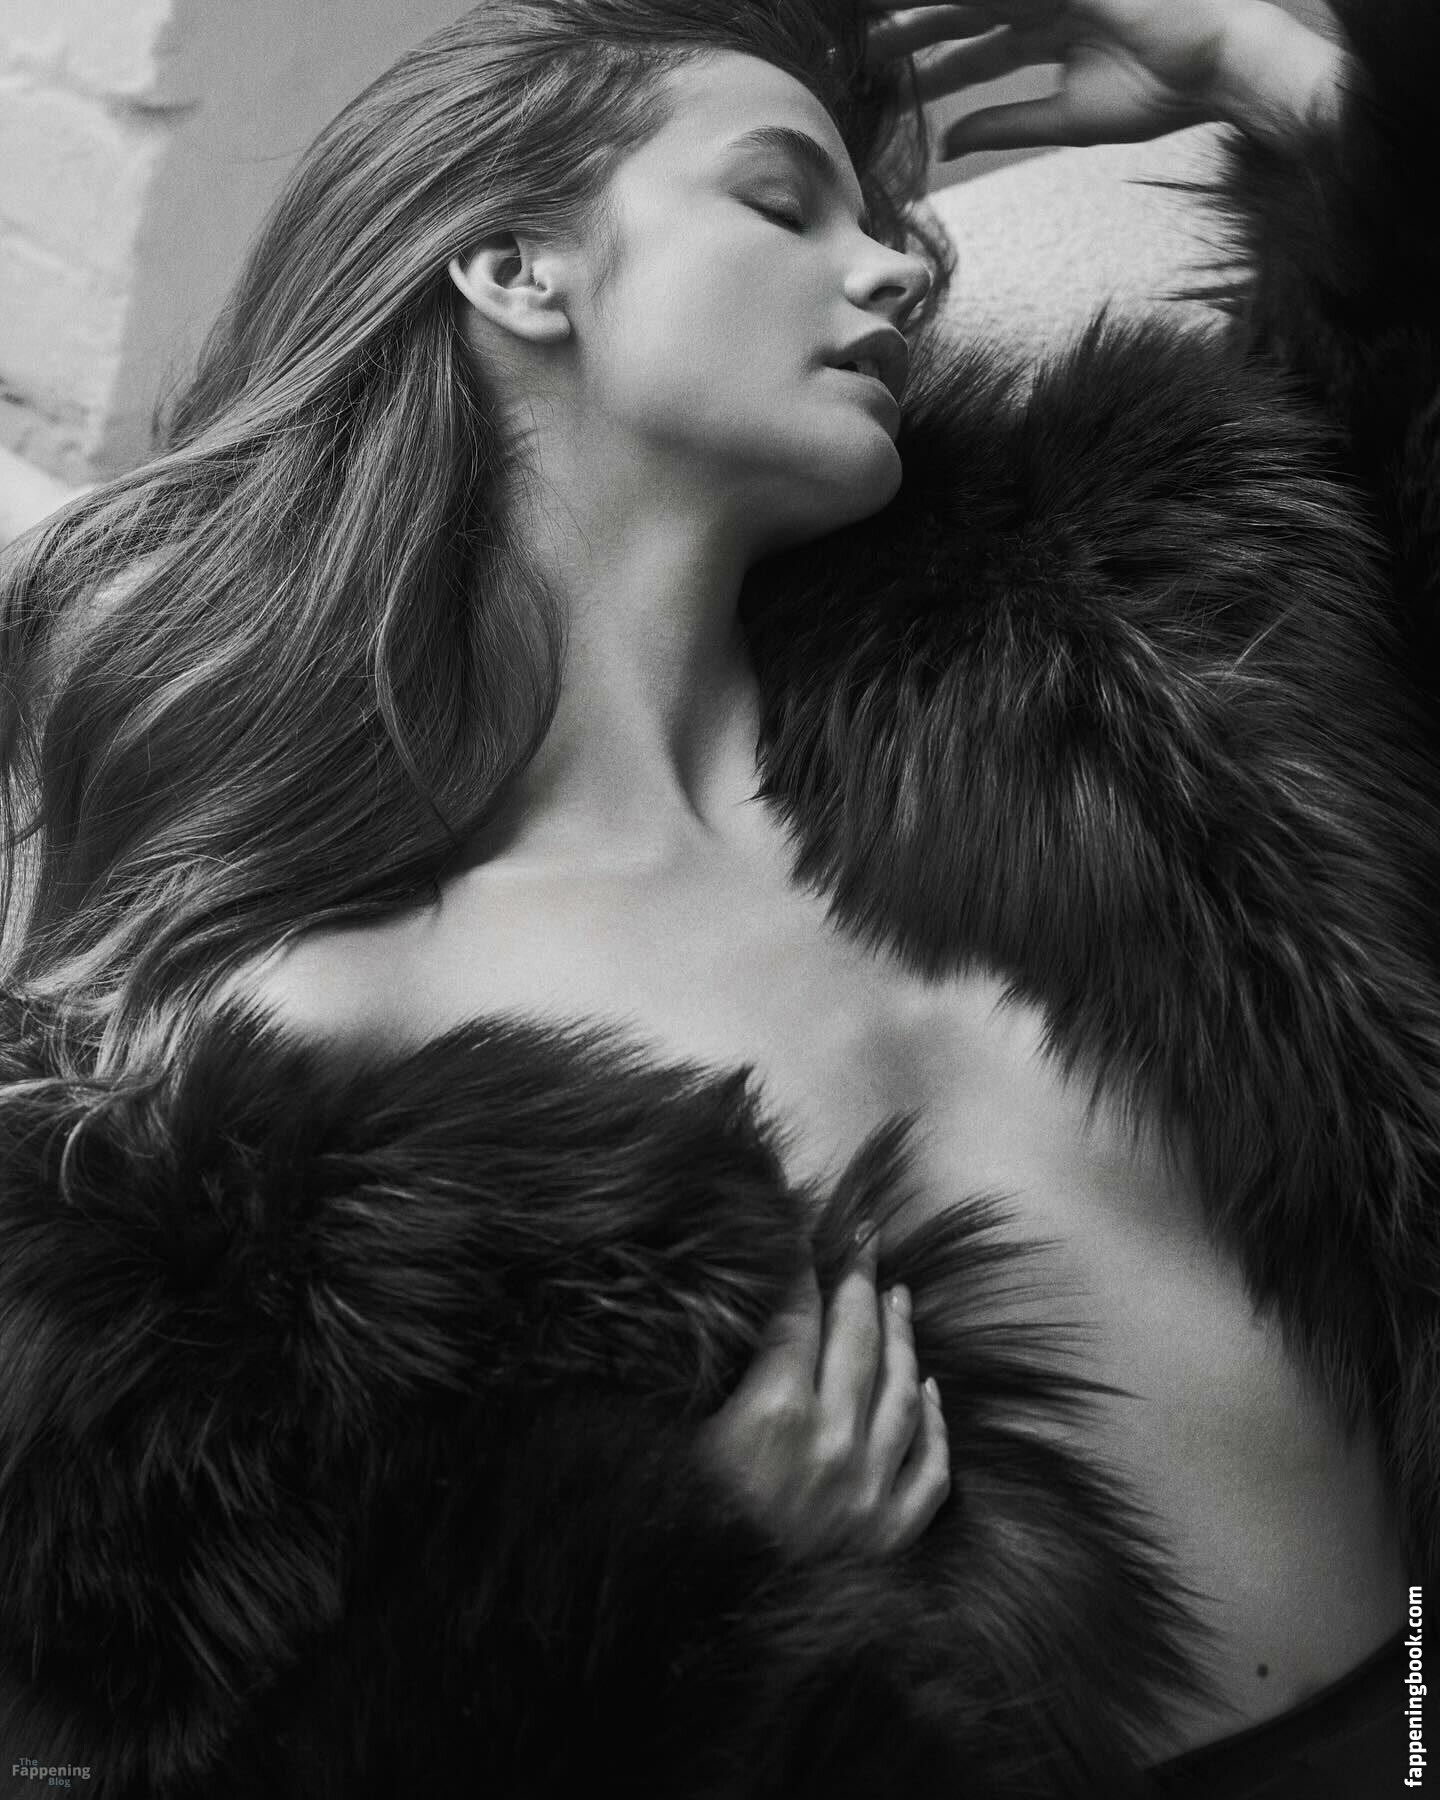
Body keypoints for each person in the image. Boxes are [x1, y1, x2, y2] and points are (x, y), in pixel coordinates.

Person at [0, 0, 1435, 1792]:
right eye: (783, 202)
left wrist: (1263, 63)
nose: (895, 269)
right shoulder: (290, 1053)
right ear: (519, 267)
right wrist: (666, 1574)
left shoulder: (1111, 661)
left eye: (884, 224)